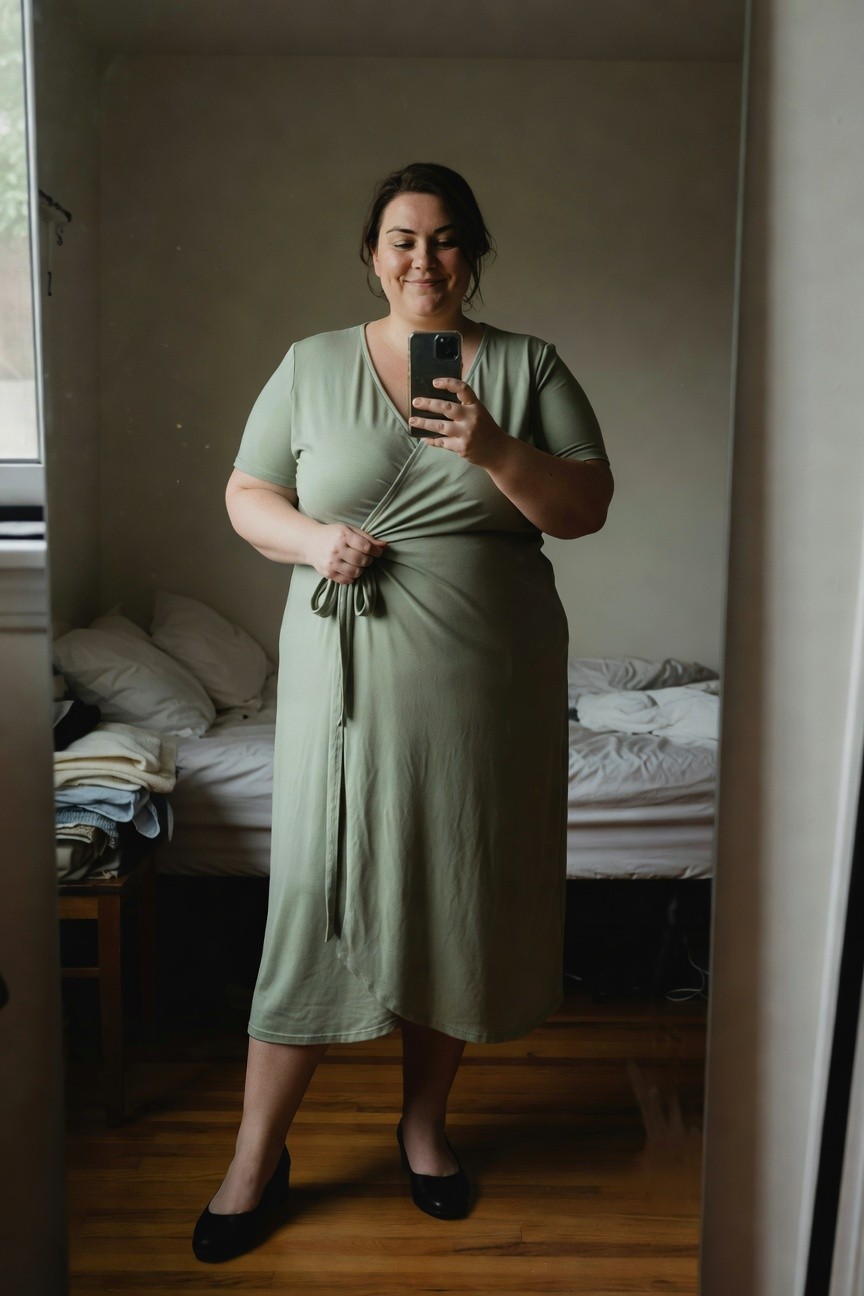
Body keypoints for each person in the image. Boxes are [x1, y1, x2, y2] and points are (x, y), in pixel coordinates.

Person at [192, 162, 614, 1263]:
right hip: (345, 672)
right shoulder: (309, 364)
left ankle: (424, 1128)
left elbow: (586, 507)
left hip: (487, 681)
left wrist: (490, 446)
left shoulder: (528, 367)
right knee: (314, 901)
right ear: (371, 255)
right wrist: (309, 541)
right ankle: (254, 1155)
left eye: (443, 239)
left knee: (452, 891)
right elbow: (247, 495)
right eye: (400, 239)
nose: (422, 259)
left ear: (473, 253)